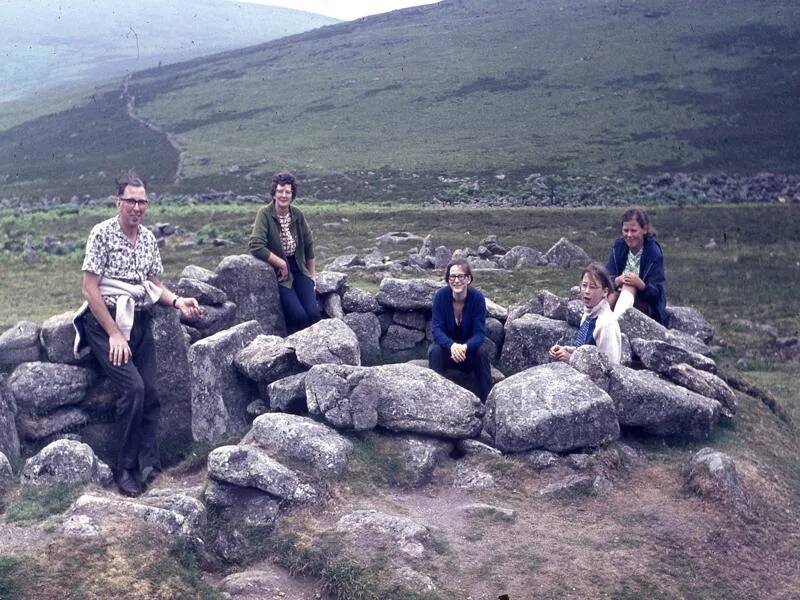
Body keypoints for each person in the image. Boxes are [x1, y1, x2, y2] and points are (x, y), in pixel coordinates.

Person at [73, 172, 202, 497]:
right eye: (131, 200)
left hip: (140, 320)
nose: (137, 207)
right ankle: (125, 468)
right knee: (132, 390)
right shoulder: (101, 234)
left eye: (142, 201)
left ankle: (150, 465)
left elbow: (152, 285)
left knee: (151, 394)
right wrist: (114, 334)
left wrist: (177, 301)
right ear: (119, 202)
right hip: (106, 324)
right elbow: (90, 289)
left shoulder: (146, 238)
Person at [249, 171, 321, 333]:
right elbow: (255, 245)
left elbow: (309, 247)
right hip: (281, 275)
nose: (284, 195)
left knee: (314, 314)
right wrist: (280, 262)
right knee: (299, 316)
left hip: (299, 269)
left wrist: (312, 277)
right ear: (274, 193)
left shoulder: (298, 215)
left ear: (292, 195)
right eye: (280, 191)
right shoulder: (264, 214)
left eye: (288, 192)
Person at [429, 258, 492, 401]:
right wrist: (452, 346)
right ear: (448, 279)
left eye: (460, 276)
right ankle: (434, 401)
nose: (456, 280)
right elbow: (437, 330)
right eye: (452, 276)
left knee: (482, 352)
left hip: (468, 353)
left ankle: (486, 403)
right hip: (447, 351)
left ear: (468, 279)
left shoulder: (477, 298)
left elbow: (479, 333)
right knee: (435, 351)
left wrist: (464, 347)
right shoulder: (440, 297)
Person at [605, 206, 669, 326]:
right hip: (617, 296)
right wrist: (618, 280)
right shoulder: (618, 246)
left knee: (630, 285)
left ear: (644, 230)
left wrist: (640, 285)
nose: (629, 235)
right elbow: (606, 277)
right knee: (611, 295)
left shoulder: (653, 252)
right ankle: (597, 325)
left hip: (645, 305)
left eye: (633, 230)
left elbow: (656, 294)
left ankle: (612, 326)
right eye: (625, 230)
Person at [549, 263, 622, 365]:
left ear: (605, 292)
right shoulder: (589, 314)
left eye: (592, 287)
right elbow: (584, 350)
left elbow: (609, 367)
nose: (587, 291)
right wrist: (565, 350)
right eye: (584, 285)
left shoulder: (606, 324)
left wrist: (571, 359)